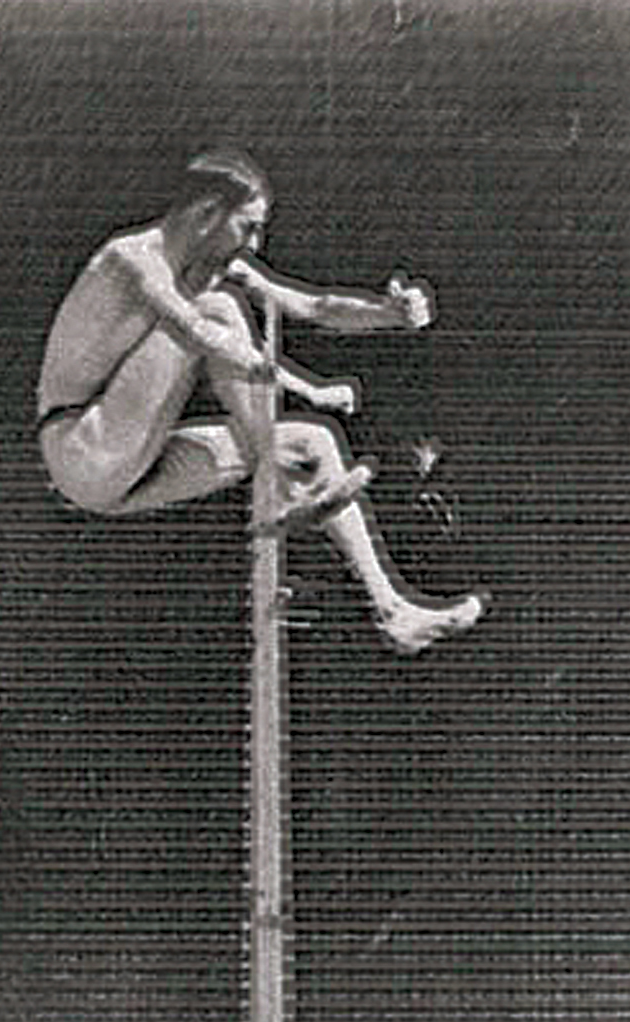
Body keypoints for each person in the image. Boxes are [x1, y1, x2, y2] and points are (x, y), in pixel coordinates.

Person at [34, 148, 485, 654]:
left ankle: (392, 611)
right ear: (207, 214)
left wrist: (389, 313)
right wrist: (308, 388)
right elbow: (199, 333)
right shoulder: (135, 260)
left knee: (314, 444)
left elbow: (314, 305)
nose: (255, 243)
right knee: (218, 308)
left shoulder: (210, 263)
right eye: (247, 227)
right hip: (82, 446)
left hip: (126, 467)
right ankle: (278, 477)